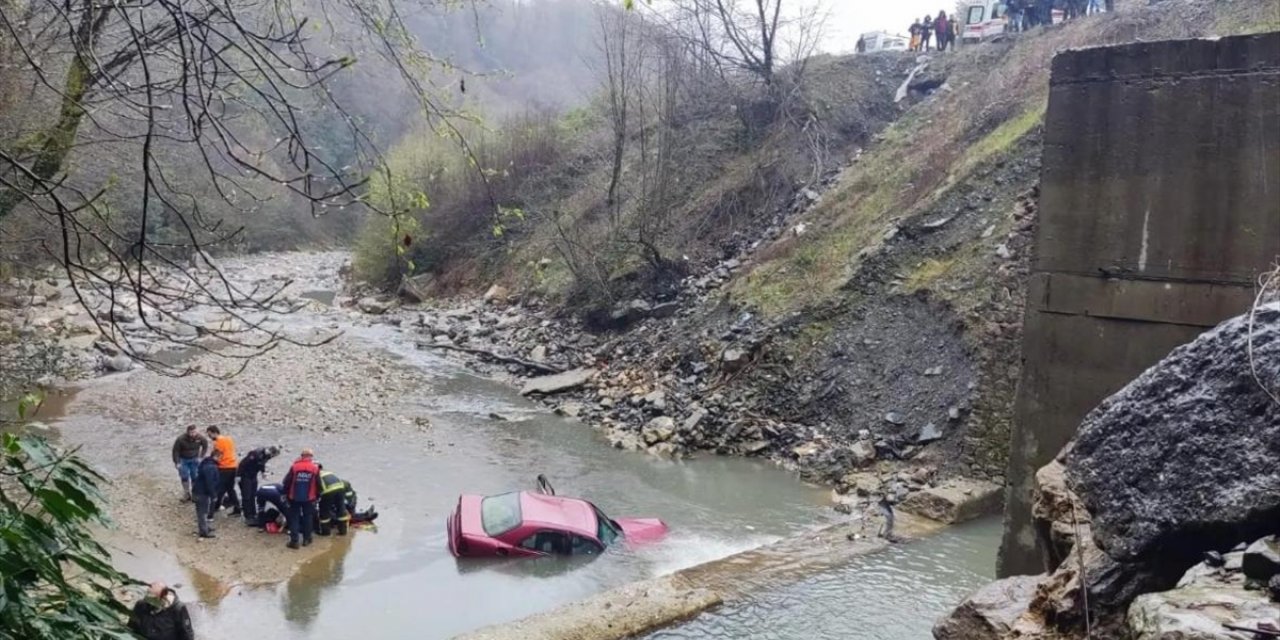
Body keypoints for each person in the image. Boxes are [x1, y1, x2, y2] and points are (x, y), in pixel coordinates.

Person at [127, 582, 195, 640]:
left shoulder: (178, 609)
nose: (147, 601)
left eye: (152, 599)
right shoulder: (141, 605)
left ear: (162, 598)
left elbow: (187, 635)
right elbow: (131, 627)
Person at [282, 448, 320, 549]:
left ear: (302, 456)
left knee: (294, 517)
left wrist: (285, 494)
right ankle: (307, 539)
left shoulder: (295, 467)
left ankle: (294, 541)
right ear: (311, 457)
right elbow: (319, 484)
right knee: (308, 517)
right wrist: (318, 496)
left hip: (294, 497)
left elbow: (286, 482)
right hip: (309, 498)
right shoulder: (315, 468)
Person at [237, 445, 281, 526]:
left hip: (253, 475)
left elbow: (262, 464)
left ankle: (253, 513)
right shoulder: (255, 454)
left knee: (253, 495)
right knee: (246, 496)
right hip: (245, 475)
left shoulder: (267, 456)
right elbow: (243, 463)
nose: (272, 457)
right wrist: (238, 475)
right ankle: (248, 516)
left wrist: (263, 472)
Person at [206, 426, 239, 516]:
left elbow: (217, 456)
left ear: (214, 432)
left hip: (224, 467)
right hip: (233, 466)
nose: (209, 437)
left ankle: (214, 508)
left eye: (209, 434)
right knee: (230, 489)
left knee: (219, 488)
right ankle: (237, 508)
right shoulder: (229, 439)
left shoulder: (218, 442)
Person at [171, 425, 207, 502]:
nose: (193, 434)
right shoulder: (180, 439)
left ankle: (194, 494)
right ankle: (186, 493)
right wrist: (177, 462)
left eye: (194, 432)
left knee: (195, 476)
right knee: (184, 476)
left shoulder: (200, 438)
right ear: (187, 432)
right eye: (191, 432)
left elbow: (205, 446)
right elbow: (175, 451)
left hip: (194, 459)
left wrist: (201, 457)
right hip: (183, 459)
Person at [193, 449, 221, 539]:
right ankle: (204, 531)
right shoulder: (211, 467)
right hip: (202, 493)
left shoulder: (206, 464)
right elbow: (209, 482)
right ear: (216, 457)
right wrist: (214, 495)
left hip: (199, 491)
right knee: (203, 512)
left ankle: (205, 528)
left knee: (203, 511)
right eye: (220, 457)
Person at [317, 469, 351, 536]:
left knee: (324, 511)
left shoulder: (315, 475)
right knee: (341, 508)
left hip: (328, 491)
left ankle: (326, 532)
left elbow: (315, 490)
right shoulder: (327, 472)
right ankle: (343, 531)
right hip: (340, 488)